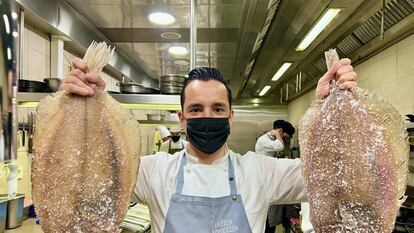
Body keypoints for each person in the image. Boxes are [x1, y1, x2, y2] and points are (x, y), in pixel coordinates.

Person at [61, 57, 357, 232]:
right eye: (196, 109)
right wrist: (86, 111)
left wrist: (334, 110)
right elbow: (85, 179)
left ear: (230, 116)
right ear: (182, 118)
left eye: (217, 109)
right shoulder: (152, 172)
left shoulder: (260, 171)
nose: (207, 116)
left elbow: (336, 176)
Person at [255, 120, 296, 233]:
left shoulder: (269, 139)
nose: (287, 139)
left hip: (267, 178)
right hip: (264, 181)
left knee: (270, 214)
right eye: (287, 136)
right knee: (268, 216)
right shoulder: (264, 140)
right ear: (280, 131)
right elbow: (279, 147)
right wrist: (277, 134)